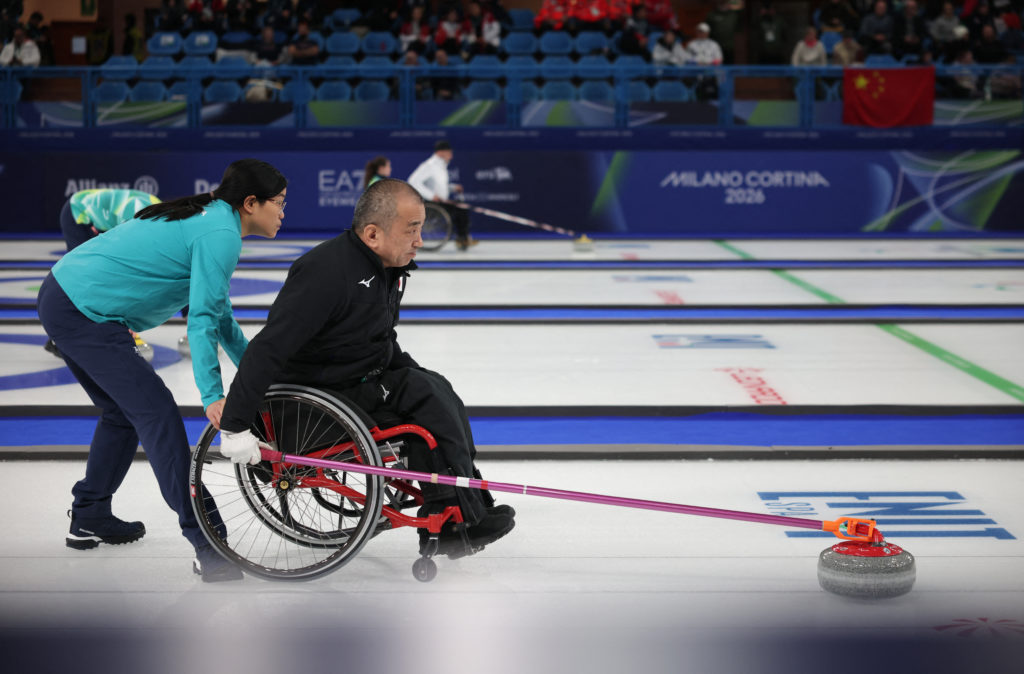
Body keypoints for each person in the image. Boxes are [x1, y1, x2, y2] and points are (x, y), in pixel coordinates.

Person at [216, 178, 515, 561]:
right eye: (412, 230)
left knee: (436, 389)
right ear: (373, 233)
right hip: (312, 407)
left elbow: (381, 340)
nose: (420, 241)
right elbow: (268, 348)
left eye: (420, 229)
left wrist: (418, 376)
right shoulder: (326, 271)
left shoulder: (385, 268)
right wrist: (236, 423)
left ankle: (462, 510)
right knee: (425, 397)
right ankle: (457, 518)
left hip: (352, 383)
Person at [36, 158, 288, 583]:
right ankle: (207, 541)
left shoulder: (215, 220)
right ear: (251, 203)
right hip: (82, 310)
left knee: (122, 414)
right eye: (279, 203)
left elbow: (220, 315)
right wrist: (213, 395)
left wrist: (257, 375)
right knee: (158, 414)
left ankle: (90, 513)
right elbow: (202, 319)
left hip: (67, 297)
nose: (283, 212)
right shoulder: (221, 232)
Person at [43, 189, 163, 359]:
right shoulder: (141, 221)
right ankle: (60, 336)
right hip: (76, 213)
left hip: (97, 213)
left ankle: (75, 331)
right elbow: (126, 271)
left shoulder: (156, 218)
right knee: (82, 275)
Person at [408, 140, 475, 250]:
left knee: (462, 208)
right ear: (441, 152)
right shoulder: (430, 165)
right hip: (430, 203)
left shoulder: (441, 166)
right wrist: (431, 196)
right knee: (461, 209)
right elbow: (413, 181)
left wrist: (453, 188)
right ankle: (463, 239)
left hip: (439, 201)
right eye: (450, 153)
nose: (451, 156)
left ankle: (463, 238)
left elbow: (439, 187)